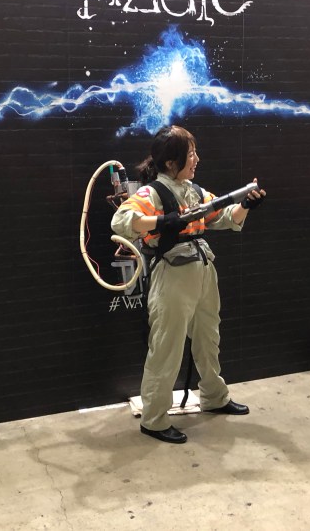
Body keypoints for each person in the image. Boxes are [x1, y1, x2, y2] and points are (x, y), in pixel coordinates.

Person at [111, 125, 266, 444]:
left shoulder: (195, 191)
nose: (196, 159)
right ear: (171, 162)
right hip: (172, 275)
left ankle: (214, 396)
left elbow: (224, 218)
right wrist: (162, 220)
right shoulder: (153, 193)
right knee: (166, 348)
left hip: (203, 270)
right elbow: (122, 221)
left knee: (209, 338)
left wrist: (245, 206)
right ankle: (154, 419)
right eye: (190, 153)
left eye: (195, 152)